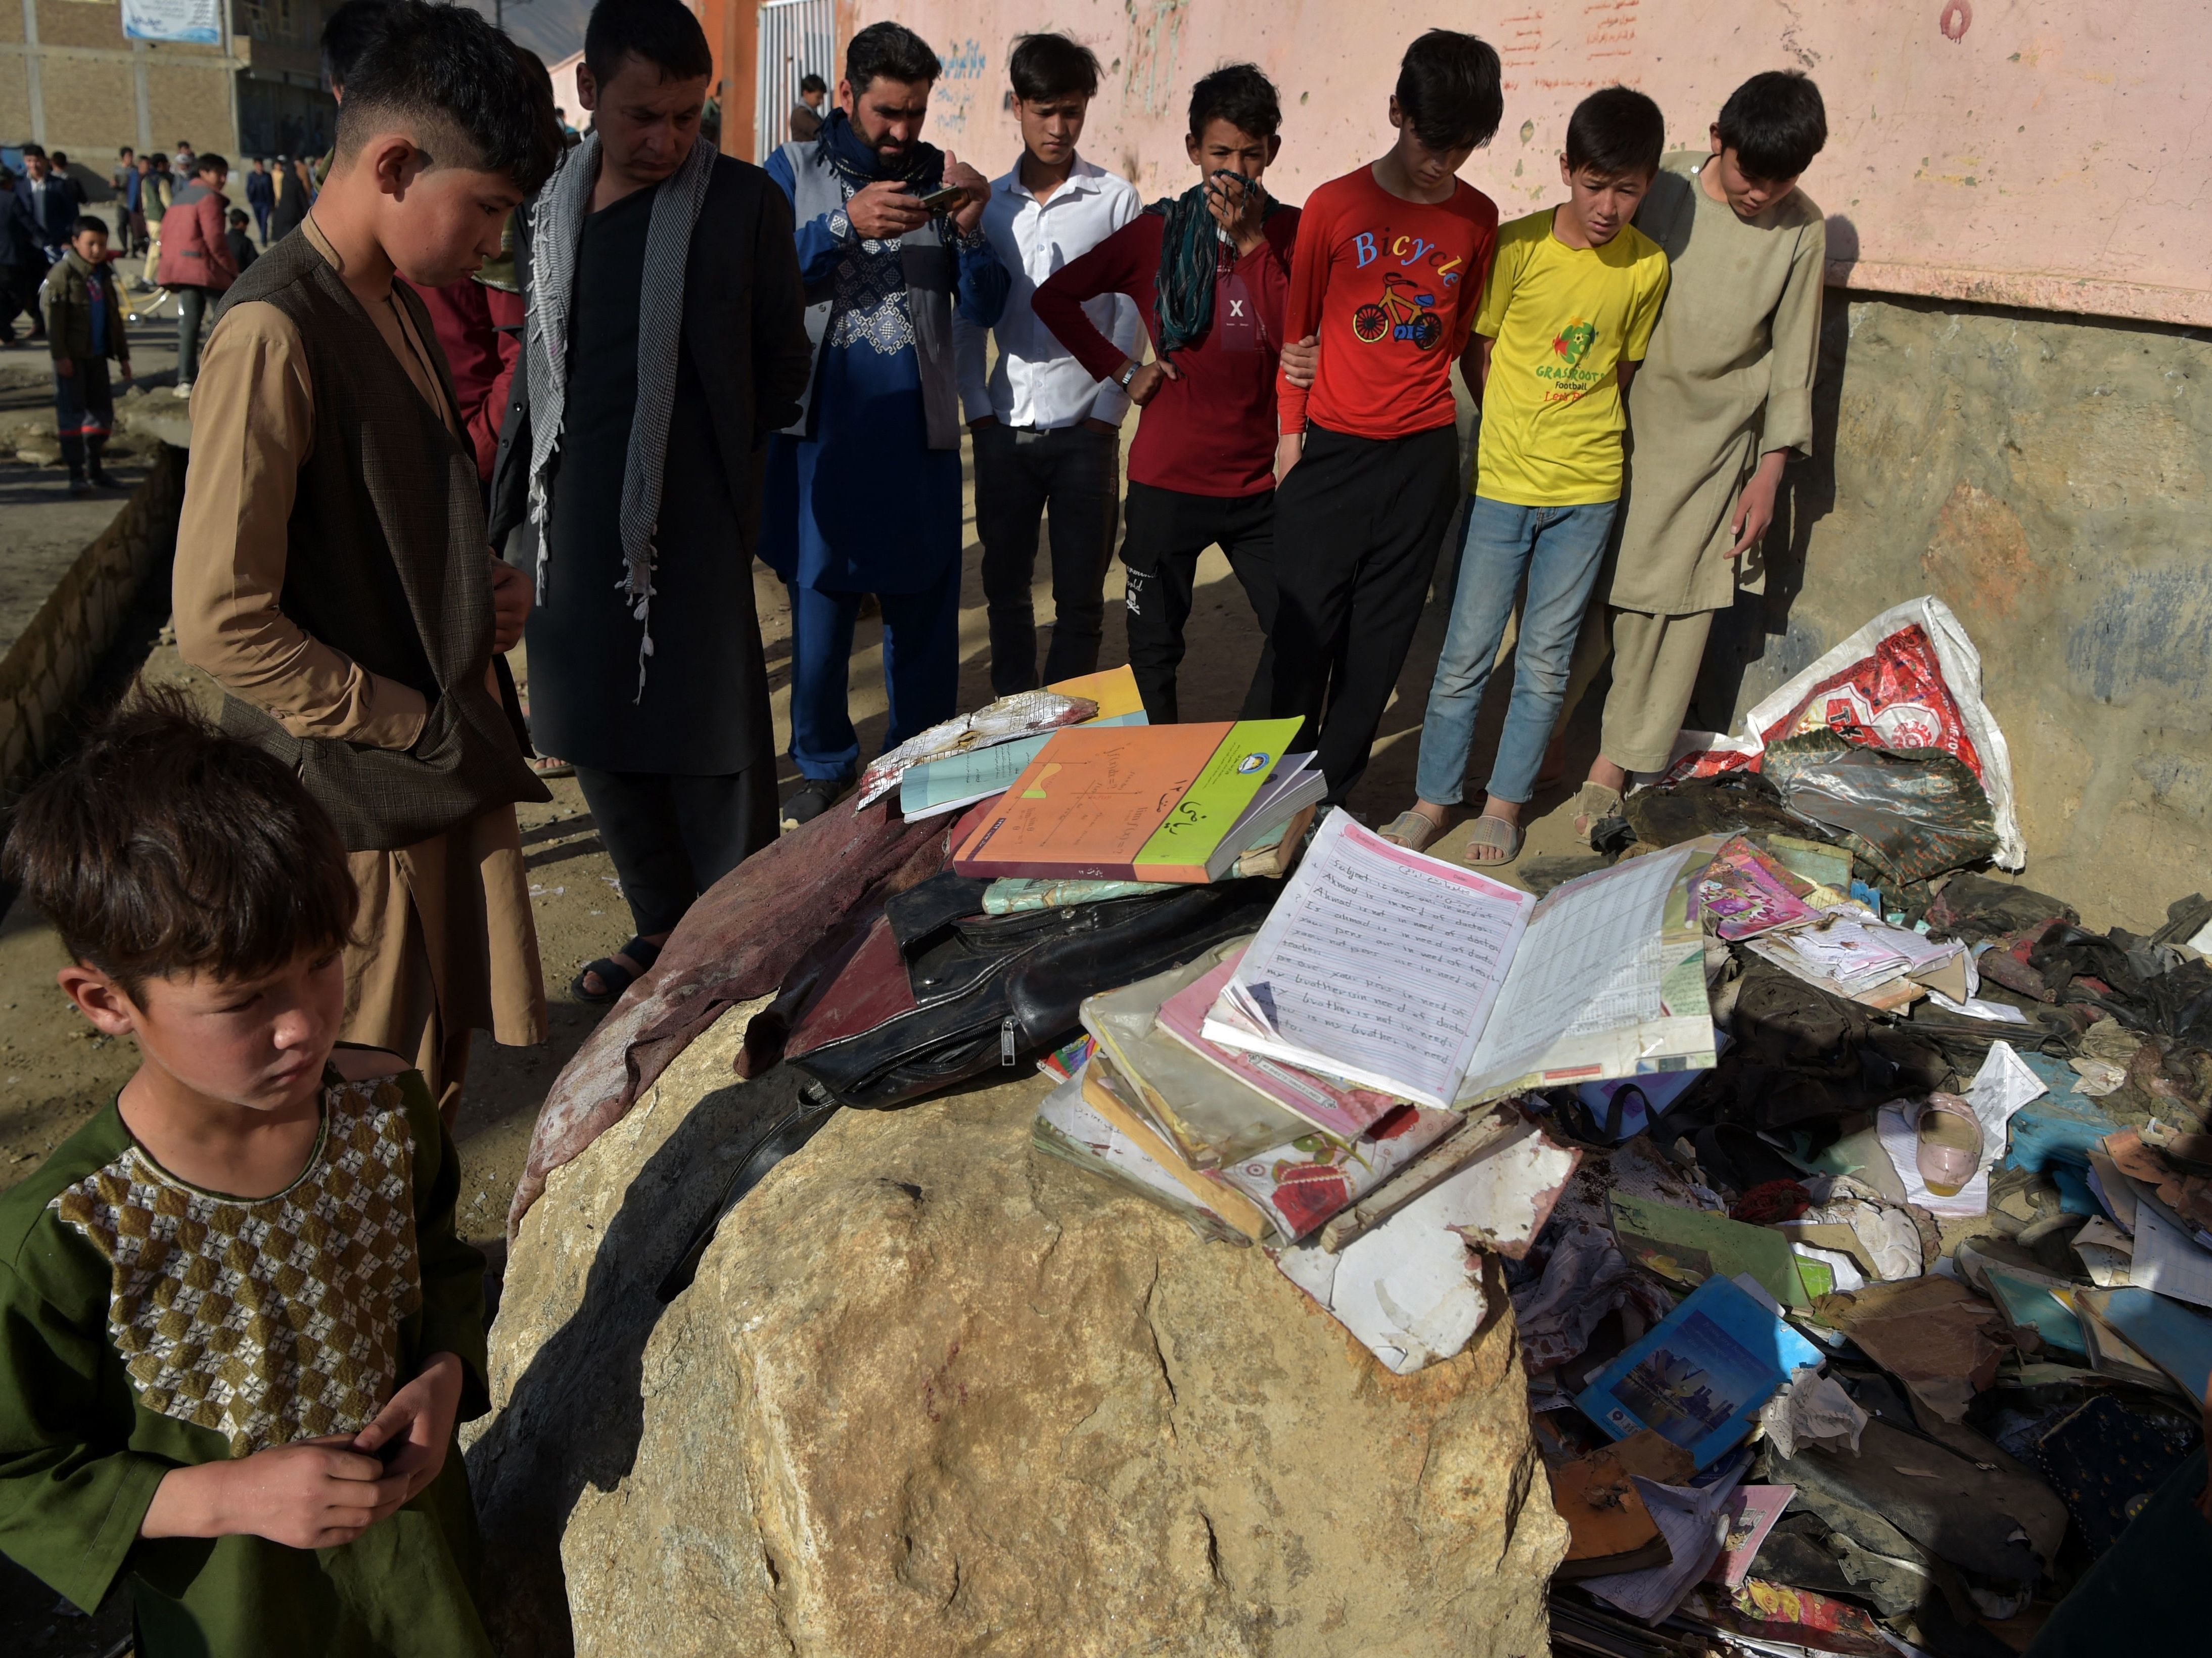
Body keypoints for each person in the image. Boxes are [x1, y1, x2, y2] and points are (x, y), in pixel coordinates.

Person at [0, 692, 498, 1656]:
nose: (305, 1024)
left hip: (423, 1586)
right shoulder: (65, 1237)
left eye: (321, 966)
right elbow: (19, 1472)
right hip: (235, 1624)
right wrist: (226, 1493)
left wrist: (443, 1375)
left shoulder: (389, 1115)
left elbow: (441, 1266)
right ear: (104, 1000)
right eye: (243, 1002)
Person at [171, 0, 562, 1123]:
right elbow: (220, 617)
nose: (491, 242)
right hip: (358, 803)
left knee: (432, 1075)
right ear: (394, 163)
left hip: (428, 772)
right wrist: (400, 713)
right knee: (367, 1092)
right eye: (484, 207)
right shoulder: (272, 331)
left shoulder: (389, 299)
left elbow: (384, 517)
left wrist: (474, 593)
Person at [488, 0, 810, 1003]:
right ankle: (659, 924)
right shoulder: (542, 201)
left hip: (693, 510)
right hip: (565, 509)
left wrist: (711, 471)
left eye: (686, 115)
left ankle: (735, 939)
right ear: (587, 93)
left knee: (710, 730)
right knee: (589, 720)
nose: (666, 139)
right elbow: (530, 358)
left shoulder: (743, 205)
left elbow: (780, 362)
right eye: (642, 115)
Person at [1377, 86, 1669, 863]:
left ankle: (1504, 803)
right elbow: (1479, 351)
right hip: (1504, 486)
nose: (1609, 206)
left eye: (1629, 189)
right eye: (1595, 184)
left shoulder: (1647, 268)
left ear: (1648, 186)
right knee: (1465, 652)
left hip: (1588, 492)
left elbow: (1623, 371)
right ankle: (1434, 799)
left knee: (1546, 658)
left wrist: (1574, 437)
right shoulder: (1517, 248)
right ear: (1566, 169)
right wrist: (1512, 428)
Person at [1558, 71, 1830, 842]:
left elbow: (1792, 356)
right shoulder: (1662, 181)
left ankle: (1614, 767)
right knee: (1579, 589)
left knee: (1671, 609)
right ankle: (1541, 736)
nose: (1761, 195)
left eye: (1783, 182)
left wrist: (1770, 471)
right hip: (1618, 416)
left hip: (1715, 445)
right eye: (1750, 174)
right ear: (1719, 141)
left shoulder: (1802, 231)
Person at [760, 20, 1002, 824]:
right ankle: (824, 763)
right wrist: (843, 226)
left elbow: (988, 304)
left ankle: (917, 762)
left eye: (916, 113)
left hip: (921, 435)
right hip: (818, 438)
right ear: (849, 92)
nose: (902, 133)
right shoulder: (791, 171)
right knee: (821, 615)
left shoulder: (944, 179)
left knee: (925, 611)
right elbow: (751, 279)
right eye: (887, 113)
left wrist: (970, 232)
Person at [1267, 31, 1503, 808]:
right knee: (1301, 639)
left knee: (1378, 650)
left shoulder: (1478, 219)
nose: (1443, 161)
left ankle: (1327, 802)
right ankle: (1262, 800)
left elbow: (1460, 331)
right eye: (1432, 141)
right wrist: (1290, 439)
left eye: (1463, 148)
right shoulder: (1334, 207)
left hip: (1421, 460)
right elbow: (1298, 329)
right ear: (1396, 110)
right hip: (1329, 456)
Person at [1033, 63, 1297, 724]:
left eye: (1251, 154)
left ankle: (1261, 772)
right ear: (1192, 151)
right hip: (1168, 481)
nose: (1235, 170)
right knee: (1153, 651)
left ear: (1272, 153)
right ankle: (1158, 789)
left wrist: (1250, 241)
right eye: (1220, 153)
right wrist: (1124, 370)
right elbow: (1054, 297)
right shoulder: (1158, 234)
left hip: (1264, 483)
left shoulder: (1291, 234)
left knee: (1302, 628)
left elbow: (1297, 332)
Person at [956, 33, 1139, 696]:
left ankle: (1062, 734)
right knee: (1005, 594)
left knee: (1081, 600)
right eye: (1044, 110)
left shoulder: (1114, 201)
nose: (1058, 128)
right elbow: (968, 309)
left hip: (1083, 434)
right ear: (1017, 105)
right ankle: (1012, 722)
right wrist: (977, 408)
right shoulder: (987, 206)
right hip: (1005, 428)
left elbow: (1131, 309)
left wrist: (1107, 414)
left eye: (1072, 111)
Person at [38, 213, 131, 496]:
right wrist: (60, 356)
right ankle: (76, 474)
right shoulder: (62, 276)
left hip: (98, 356)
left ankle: (96, 469)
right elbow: (53, 322)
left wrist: (123, 357)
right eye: (90, 243)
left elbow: (114, 320)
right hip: (72, 359)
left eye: (102, 244)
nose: (96, 250)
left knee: (101, 414)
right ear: (75, 242)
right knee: (72, 416)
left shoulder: (102, 275)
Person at [154, 151, 237, 396]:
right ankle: (223, 376)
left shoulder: (181, 197)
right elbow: (215, 240)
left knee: (189, 325)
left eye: (224, 174)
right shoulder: (209, 198)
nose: (222, 179)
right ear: (204, 172)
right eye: (218, 174)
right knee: (222, 323)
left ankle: (185, 380)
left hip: (179, 269)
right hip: (205, 269)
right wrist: (232, 269)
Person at [12, 144, 82, 266]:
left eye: (37, 161)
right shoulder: (18, 184)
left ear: (46, 161)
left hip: (55, 242)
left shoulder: (59, 185)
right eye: (29, 161)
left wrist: (68, 239)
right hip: (28, 243)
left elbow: (72, 214)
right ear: (24, 162)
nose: (33, 165)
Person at [268, 153, 310, 241]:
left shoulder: (285, 181)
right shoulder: (297, 182)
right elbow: (302, 200)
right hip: (295, 215)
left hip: (283, 214)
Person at [245, 153, 275, 239]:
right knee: (259, 221)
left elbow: (271, 189)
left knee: (264, 221)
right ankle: (262, 235)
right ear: (255, 165)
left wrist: (273, 202)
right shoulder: (251, 176)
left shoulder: (267, 176)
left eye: (260, 164)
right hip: (256, 202)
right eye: (257, 165)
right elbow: (248, 189)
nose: (259, 166)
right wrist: (250, 198)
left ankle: (263, 239)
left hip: (265, 202)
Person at [791, 70, 828, 141]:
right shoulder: (801, 114)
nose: (821, 101)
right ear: (806, 93)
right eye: (818, 97)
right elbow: (820, 132)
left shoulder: (810, 112)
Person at [225, 204, 258, 272]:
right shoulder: (246, 242)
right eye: (246, 225)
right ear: (242, 224)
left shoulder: (224, 239)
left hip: (226, 275)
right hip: (242, 276)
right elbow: (255, 262)